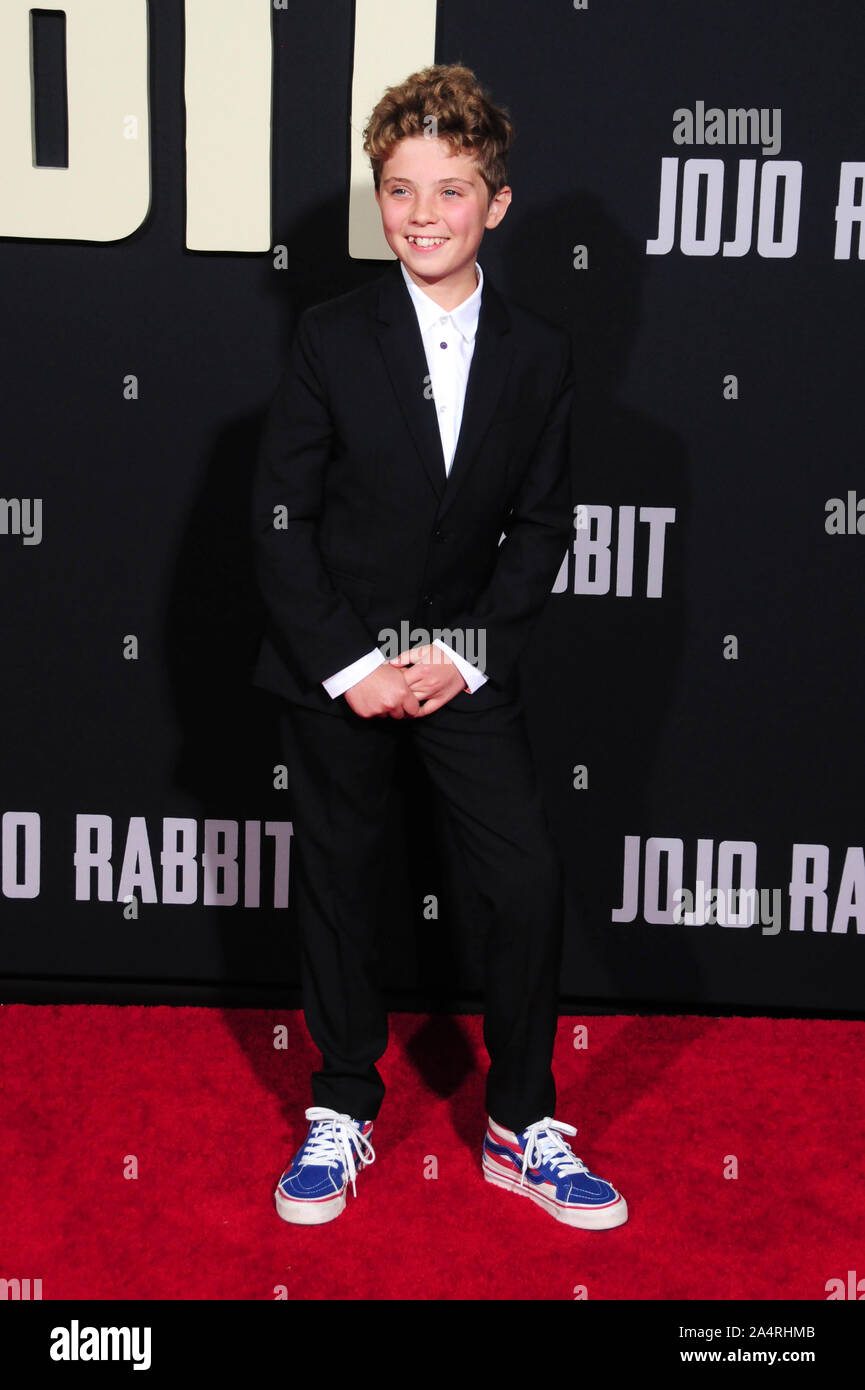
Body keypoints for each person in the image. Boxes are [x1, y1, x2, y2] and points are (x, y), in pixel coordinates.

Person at [250, 63, 627, 1231]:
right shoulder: (327, 336)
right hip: (342, 665)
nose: (421, 214)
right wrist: (354, 665)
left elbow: (542, 522)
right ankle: (344, 1103)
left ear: (495, 206)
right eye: (400, 189)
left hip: (462, 659)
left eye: (450, 191)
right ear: (377, 199)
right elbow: (280, 517)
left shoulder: (539, 353)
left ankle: (521, 1123)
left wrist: (459, 653)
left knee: (525, 878)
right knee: (339, 879)